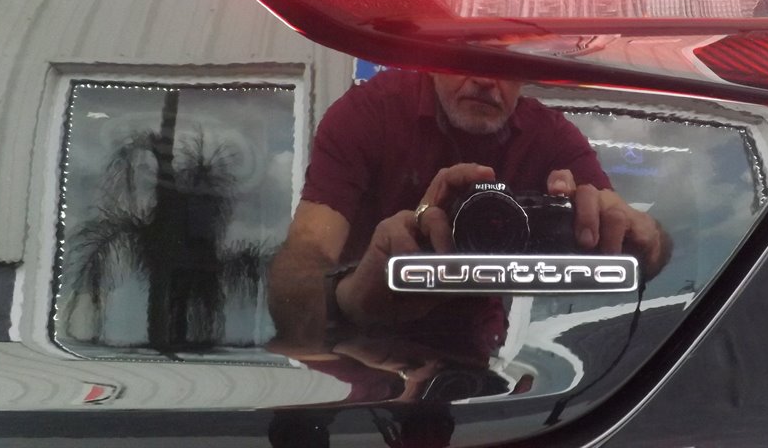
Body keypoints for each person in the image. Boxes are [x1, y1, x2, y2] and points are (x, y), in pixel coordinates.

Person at [269, 69, 667, 346]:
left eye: (506, 60)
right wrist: (353, 298)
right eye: (465, 53)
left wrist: (641, 240)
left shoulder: (550, 138)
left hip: (477, 358)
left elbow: (622, 228)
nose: (485, 77)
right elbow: (301, 264)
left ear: (526, 70)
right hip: (371, 354)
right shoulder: (371, 115)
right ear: (431, 54)